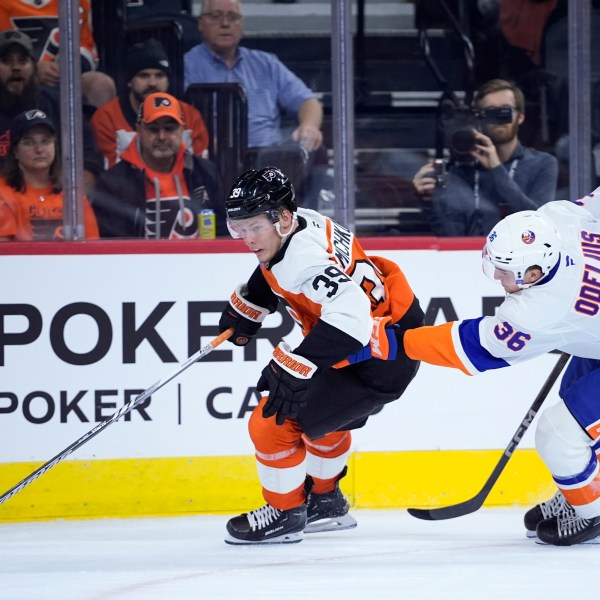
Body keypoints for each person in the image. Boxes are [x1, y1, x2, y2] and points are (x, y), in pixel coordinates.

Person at [217, 166, 423, 544]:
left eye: (254, 227)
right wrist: (253, 305)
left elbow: (351, 317)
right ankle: (326, 502)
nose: (246, 239)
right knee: (323, 420)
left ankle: (284, 512)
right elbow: (275, 267)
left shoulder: (304, 259)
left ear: (281, 218)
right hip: (380, 346)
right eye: (238, 228)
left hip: (372, 360)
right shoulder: (304, 222)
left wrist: (300, 364)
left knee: (272, 423)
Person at [398, 189, 600, 546]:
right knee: (573, 399)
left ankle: (594, 511)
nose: (496, 278)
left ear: (534, 272)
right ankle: (585, 487)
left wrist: (401, 342)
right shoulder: (558, 218)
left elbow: (472, 347)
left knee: (560, 434)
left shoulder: (535, 312)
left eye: (505, 272)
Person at [183, 0, 326, 206]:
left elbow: (308, 101)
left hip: (269, 155)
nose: (225, 24)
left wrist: (309, 127)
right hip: (213, 158)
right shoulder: (187, 65)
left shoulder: (266, 63)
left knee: (315, 148)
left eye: (233, 18)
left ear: (241, 25)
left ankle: (302, 224)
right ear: (200, 23)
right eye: (216, 17)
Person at [412, 79, 558, 236]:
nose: (498, 120)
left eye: (504, 112)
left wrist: (496, 169)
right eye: (491, 112)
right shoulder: (464, 168)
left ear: (520, 116)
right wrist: (428, 201)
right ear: (480, 118)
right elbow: (450, 235)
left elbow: (539, 224)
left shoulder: (543, 163)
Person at [91, 92, 226, 239]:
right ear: (139, 130)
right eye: (153, 129)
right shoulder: (113, 182)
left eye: (169, 129)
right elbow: (113, 246)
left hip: (201, 261)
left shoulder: (205, 172)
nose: (162, 137)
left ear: (182, 130)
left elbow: (223, 231)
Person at [0, 29, 103, 193]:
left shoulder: (60, 103)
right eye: (6, 61)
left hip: (53, 201)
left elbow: (90, 159)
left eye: (22, 61)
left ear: (34, 67)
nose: (15, 68)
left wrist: (71, 193)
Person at [91, 38, 210, 169]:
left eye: (159, 75)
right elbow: (110, 177)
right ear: (130, 81)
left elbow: (201, 171)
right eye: (143, 76)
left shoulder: (190, 116)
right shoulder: (106, 118)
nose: (152, 83)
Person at [0, 109, 99, 241]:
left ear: (55, 147)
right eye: (29, 142)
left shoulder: (73, 196)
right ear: (15, 151)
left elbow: (92, 248)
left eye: (46, 141)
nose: (39, 149)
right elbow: (5, 255)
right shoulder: (3, 193)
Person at [0, 0, 116, 109]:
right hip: (13, 76)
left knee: (100, 84)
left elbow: (88, 50)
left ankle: (89, 130)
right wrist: (33, 69)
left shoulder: (78, 2)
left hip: (62, 78)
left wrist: (65, 67)